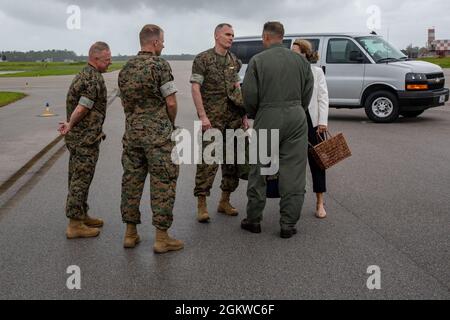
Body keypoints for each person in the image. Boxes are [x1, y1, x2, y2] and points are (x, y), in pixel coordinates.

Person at [241, 22, 314, 239]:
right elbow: (307, 92)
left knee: (260, 169)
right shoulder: (301, 61)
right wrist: (296, 109)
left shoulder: (258, 61)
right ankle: (288, 224)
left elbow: (250, 95)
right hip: (296, 116)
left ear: (265, 37)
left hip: (268, 115)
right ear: (282, 37)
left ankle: (254, 220)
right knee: (294, 171)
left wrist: (257, 113)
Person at [118, 24, 183, 254]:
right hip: (158, 136)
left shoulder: (125, 68)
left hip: (133, 135)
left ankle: (130, 233)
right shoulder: (159, 65)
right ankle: (162, 238)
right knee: (163, 183)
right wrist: (170, 123)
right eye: (162, 41)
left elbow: (125, 103)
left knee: (131, 183)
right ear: (155, 43)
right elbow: (172, 102)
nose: (164, 45)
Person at [190, 23, 249, 223]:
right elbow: (196, 88)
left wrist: (243, 115)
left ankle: (225, 201)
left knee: (232, 163)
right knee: (208, 162)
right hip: (213, 120)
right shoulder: (203, 59)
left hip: (233, 119)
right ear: (216, 36)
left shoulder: (234, 61)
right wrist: (203, 116)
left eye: (233, 35)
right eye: (227, 34)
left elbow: (237, 87)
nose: (231, 38)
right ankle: (201, 205)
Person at [59, 41, 111, 239]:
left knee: (80, 177)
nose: (110, 63)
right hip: (84, 139)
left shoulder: (86, 73)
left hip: (82, 137)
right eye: (107, 60)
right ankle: (74, 224)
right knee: (80, 180)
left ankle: (82, 214)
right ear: (95, 59)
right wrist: (70, 124)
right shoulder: (91, 78)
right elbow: (83, 106)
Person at [292, 39, 329, 219]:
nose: (292, 55)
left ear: (305, 54)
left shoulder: (317, 72)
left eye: (296, 52)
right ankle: (292, 202)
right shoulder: (287, 72)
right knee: (292, 163)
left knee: (317, 163)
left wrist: (323, 121)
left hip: (312, 122)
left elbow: (323, 97)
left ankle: (320, 202)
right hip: (293, 121)